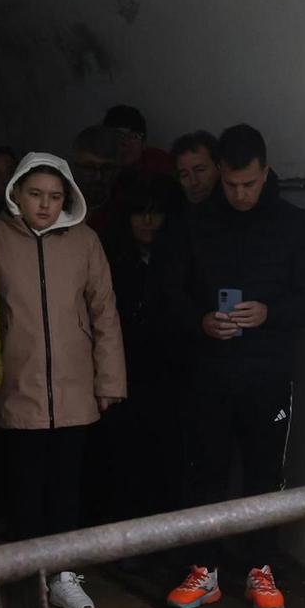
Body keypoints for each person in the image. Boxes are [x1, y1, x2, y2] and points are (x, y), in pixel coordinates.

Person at [161, 123, 305, 608]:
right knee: (205, 470)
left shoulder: (293, 225)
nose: (240, 194)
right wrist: (199, 321)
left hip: (269, 373)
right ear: (220, 175)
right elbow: (166, 294)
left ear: (266, 172)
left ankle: (261, 567)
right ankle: (203, 569)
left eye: (249, 184)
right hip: (208, 372)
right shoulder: (192, 224)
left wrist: (270, 313)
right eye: (231, 184)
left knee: (264, 473)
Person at [0, 153, 126, 608]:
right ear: (17, 194)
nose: (45, 206)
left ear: (67, 199)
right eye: (35, 195)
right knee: (24, 488)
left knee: (66, 486)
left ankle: (64, 577)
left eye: (54, 197)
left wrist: (109, 380)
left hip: (72, 387)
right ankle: (29, 579)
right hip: (18, 384)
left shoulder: (84, 241)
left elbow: (104, 313)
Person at [95, 172, 184, 521]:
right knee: (124, 458)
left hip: (169, 373)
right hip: (124, 372)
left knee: (165, 458)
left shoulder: (176, 259)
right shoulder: (112, 259)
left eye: (155, 212)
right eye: (139, 213)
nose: (148, 221)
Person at [69, 125, 123, 234]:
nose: (98, 177)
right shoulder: (56, 204)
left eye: (106, 168)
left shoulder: (123, 209)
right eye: (89, 168)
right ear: (73, 168)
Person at [171, 130, 220, 208]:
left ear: (218, 166)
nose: (193, 182)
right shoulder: (174, 208)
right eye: (184, 175)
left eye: (200, 170)